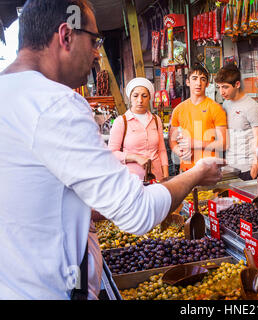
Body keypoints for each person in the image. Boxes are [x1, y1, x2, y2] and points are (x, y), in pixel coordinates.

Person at [0, 0, 223, 300]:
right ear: (65, 36)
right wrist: (197, 173)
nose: (96, 53)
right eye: (94, 41)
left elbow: (37, 196)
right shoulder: (57, 104)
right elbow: (139, 213)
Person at [169, 64, 227, 173]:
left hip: (209, 169)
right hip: (185, 169)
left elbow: (223, 143)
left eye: (203, 79)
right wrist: (179, 151)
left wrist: (195, 144)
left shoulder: (216, 108)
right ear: (188, 82)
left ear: (207, 84)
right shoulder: (178, 109)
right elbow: (172, 141)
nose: (198, 83)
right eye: (194, 78)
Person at [108, 77, 169, 181]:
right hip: (132, 179)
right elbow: (111, 153)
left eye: (144, 96)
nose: (140, 100)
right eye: (135, 96)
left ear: (149, 97)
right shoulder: (122, 121)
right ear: (130, 98)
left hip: (156, 178)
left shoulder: (156, 119)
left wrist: (166, 177)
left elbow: (162, 150)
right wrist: (135, 157)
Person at [215, 64, 258, 180]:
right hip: (230, 168)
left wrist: (255, 166)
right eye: (219, 87)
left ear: (237, 84)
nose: (221, 92)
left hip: (247, 169)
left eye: (225, 87)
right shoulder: (227, 103)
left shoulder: (252, 107)